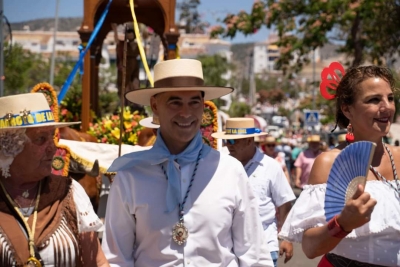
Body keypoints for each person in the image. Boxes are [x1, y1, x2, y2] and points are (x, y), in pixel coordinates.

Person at [102, 59, 273, 266]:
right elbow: (117, 258)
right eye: (175, 102)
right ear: (155, 106)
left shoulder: (229, 170)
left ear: (203, 106)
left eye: (194, 102)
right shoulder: (131, 175)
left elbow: (253, 254)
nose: (186, 113)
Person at [279, 65, 400, 266]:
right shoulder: (329, 162)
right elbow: (310, 248)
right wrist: (342, 224)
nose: (387, 106)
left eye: (390, 98)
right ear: (347, 109)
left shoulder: (398, 156)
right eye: (374, 99)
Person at [0, 93, 108, 266]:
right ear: (10, 146)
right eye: (41, 139)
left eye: (52, 136)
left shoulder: (70, 193)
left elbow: (97, 263)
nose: (53, 148)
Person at [212, 118, 296, 267]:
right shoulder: (221, 165)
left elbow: (285, 203)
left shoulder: (271, 167)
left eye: (233, 141)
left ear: (249, 141)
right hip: (228, 249)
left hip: (263, 248)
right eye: (227, 141)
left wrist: (287, 238)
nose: (228, 146)